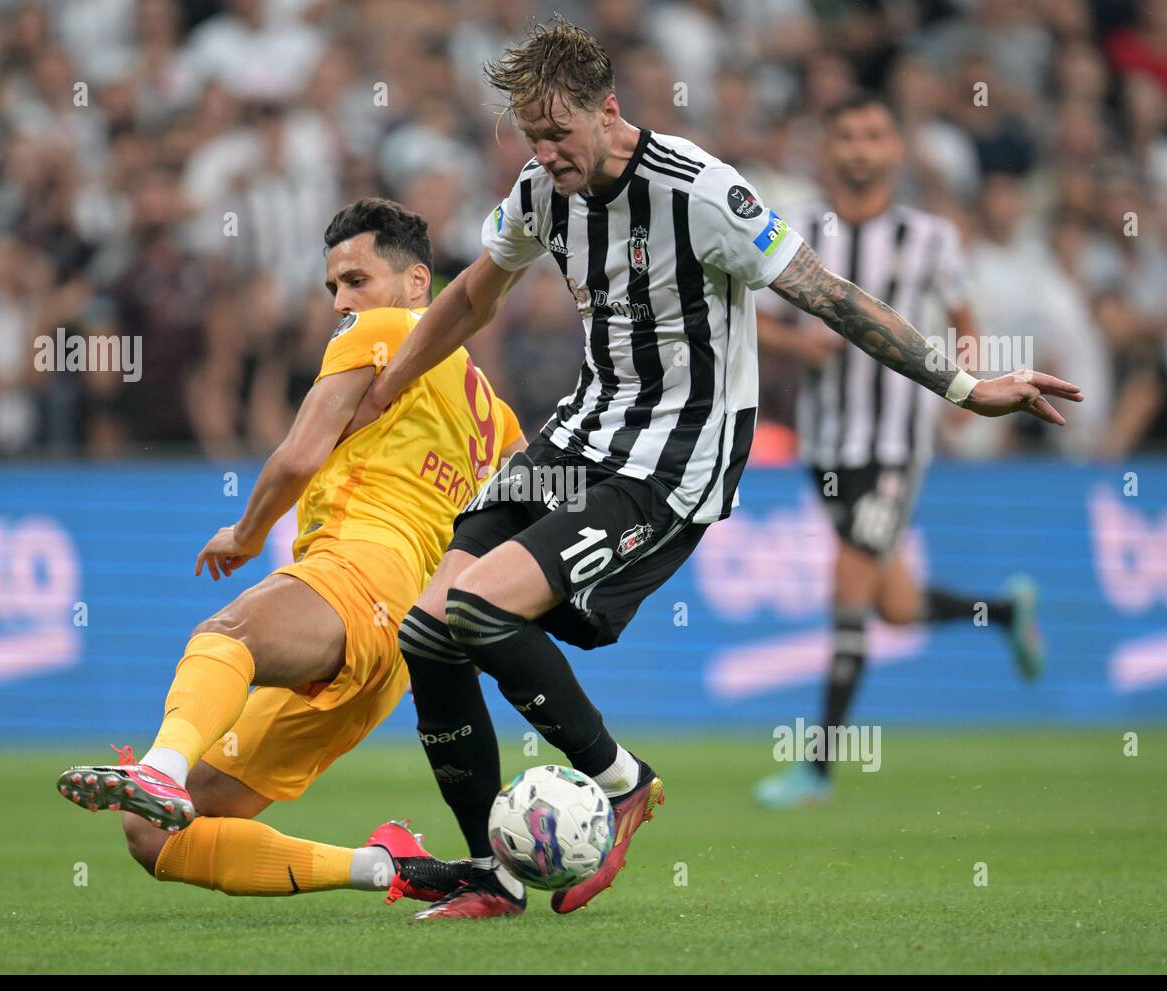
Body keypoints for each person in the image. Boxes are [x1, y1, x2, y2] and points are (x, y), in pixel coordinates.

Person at [347, 18, 1082, 920]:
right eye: (530, 138)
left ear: (607, 111)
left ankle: (621, 783)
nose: (544, 154)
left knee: (480, 606)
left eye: (558, 135)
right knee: (428, 631)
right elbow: (470, 296)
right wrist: (383, 390)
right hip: (580, 436)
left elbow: (833, 297)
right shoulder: (542, 191)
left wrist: (968, 388)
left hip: (673, 460)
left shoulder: (701, 193)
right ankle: (491, 877)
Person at [56, 198, 526, 903]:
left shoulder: (383, 328)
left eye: (357, 280)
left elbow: (298, 456)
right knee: (150, 834)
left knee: (227, 633)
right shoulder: (497, 414)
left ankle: (160, 764)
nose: (342, 301)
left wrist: (244, 536)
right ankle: (390, 867)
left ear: (418, 283)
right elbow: (516, 527)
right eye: (333, 287)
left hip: (360, 570)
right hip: (400, 648)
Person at [753, 93, 1044, 809]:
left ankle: (816, 764)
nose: (859, 148)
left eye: (873, 135)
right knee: (893, 606)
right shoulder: (799, 234)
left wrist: (965, 394)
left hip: (894, 446)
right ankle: (1004, 612)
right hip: (824, 449)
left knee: (850, 580)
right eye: (845, 135)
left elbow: (963, 318)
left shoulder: (932, 236)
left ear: (894, 150)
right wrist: (800, 343)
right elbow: (751, 324)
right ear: (828, 148)